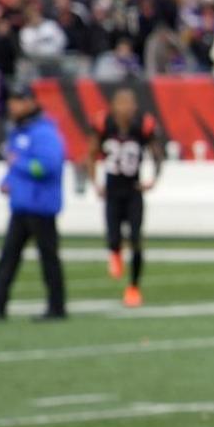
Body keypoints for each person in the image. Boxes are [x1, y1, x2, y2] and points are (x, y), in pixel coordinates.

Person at [0, 82, 67, 321]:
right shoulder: (18, 131)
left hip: (41, 205)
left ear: (29, 102)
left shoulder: (44, 132)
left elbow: (48, 165)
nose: (12, 106)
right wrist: (7, 180)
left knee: (48, 257)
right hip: (21, 204)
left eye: (16, 101)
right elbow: (16, 165)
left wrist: (19, 165)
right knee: (8, 256)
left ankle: (56, 306)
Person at [82, 86, 163, 308]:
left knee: (136, 240)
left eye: (130, 103)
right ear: (113, 106)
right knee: (113, 237)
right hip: (112, 190)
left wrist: (154, 178)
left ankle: (133, 287)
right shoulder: (103, 124)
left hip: (133, 190)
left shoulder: (142, 126)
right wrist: (95, 183)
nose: (126, 108)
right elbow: (90, 154)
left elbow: (157, 154)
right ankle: (115, 252)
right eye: (122, 103)